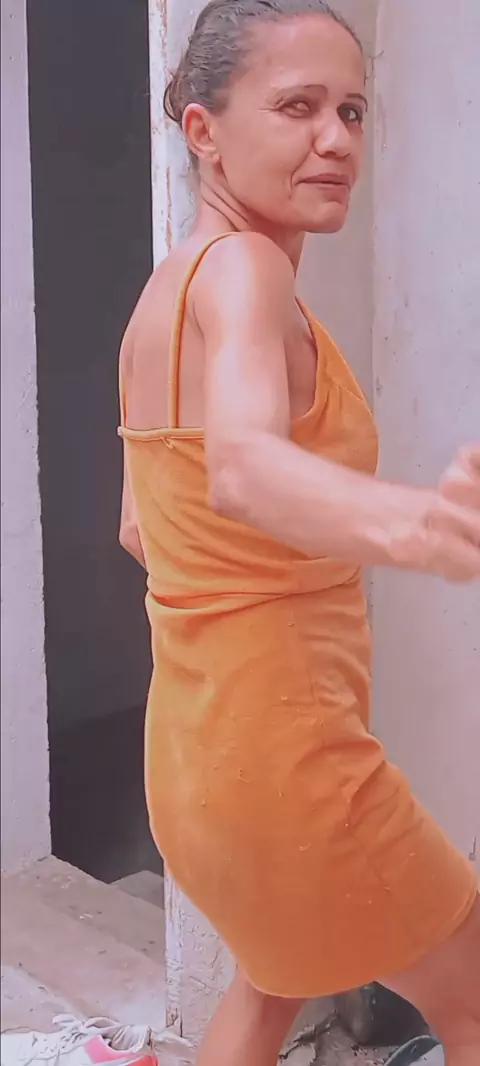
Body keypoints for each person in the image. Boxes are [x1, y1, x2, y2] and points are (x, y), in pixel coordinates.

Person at [117, 2, 480, 1064]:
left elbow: (141, 525)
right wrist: (419, 525)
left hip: (197, 754)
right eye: (297, 107)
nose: (336, 139)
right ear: (204, 130)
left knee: (274, 984)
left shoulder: (168, 294)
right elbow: (240, 467)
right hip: (289, 757)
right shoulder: (245, 272)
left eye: (352, 111)